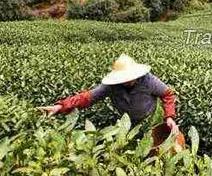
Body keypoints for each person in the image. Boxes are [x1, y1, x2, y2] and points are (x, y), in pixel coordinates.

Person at [38, 54, 178, 134]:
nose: (127, 80)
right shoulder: (111, 86)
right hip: (129, 122)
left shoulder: (149, 81)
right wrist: (60, 107)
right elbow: (87, 98)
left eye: (130, 77)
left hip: (151, 118)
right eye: (124, 78)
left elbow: (168, 95)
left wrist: (169, 117)